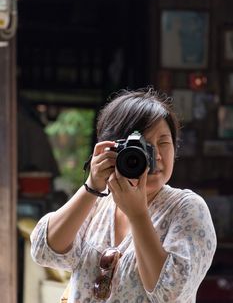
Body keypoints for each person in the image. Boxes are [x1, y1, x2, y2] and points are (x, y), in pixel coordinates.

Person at [30, 87, 217, 303]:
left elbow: (168, 292)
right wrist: (92, 186)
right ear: (113, 149)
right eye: (142, 146)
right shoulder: (98, 203)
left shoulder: (187, 208)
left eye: (164, 142)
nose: (154, 155)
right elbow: (44, 252)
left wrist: (138, 214)